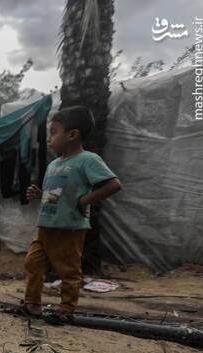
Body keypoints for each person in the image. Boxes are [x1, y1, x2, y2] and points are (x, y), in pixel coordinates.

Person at [21, 106, 122, 321]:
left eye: (53, 132)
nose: (49, 139)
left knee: (68, 270)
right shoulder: (53, 165)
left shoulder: (87, 159)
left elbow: (113, 184)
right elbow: (56, 195)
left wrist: (85, 200)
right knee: (33, 263)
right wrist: (39, 195)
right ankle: (32, 304)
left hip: (69, 227)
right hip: (46, 226)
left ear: (72, 134)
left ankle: (66, 310)